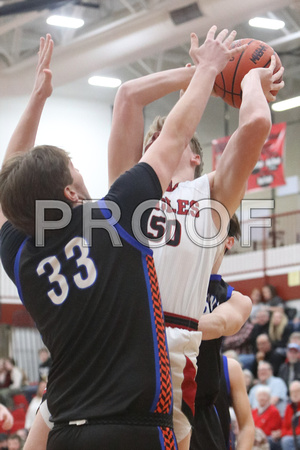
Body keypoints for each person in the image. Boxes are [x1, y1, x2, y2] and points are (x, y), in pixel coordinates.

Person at [0, 28, 246, 450]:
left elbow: (9, 184)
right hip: (134, 428)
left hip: (66, 429)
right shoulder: (115, 218)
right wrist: (206, 69)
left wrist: (38, 100)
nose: (79, 167)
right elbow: (173, 135)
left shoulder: (19, 255)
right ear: (71, 193)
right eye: (72, 165)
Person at [107, 24, 283, 450]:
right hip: (118, 334)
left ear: (195, 154)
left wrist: (251, 81)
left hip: (174, 344)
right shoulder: (130, 186)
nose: (156, 140)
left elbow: (257, 121)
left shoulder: (213, 193)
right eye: (153, 136)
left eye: (169, 135)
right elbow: (129, 95)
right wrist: (201, 71)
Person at [190, 215, 253, 450]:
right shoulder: (165, 280)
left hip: (201, 415)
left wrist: (158, 324)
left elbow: (216, 324)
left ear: (228, 241)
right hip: (157, 405)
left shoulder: (234, 299)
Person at [252, 386, 282, 450]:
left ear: (269, 398)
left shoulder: (274, 411)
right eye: (260, 396)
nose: (262, 398)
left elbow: (272, 430)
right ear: (257, 398)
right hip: (254, 437)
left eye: (264, 396)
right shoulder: (253, 412)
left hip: (267, 438)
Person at [280, 380, 300, 450]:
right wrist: (286, 433)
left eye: (297, 391)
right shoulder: (289, 407)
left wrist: (290, 433)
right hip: (291, 436)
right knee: (285, 440)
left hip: (296, 435)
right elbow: (284, 426)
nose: (295, 394)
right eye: (293, 392)